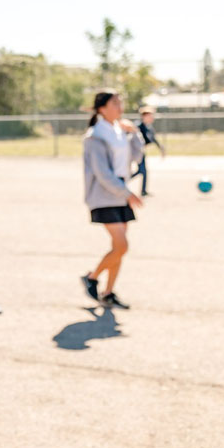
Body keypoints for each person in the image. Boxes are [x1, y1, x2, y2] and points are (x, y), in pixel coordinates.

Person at [81, 90, 144, 309]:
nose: (120, 106)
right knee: (122, 246)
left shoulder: (119, 131)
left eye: (120, 102)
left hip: (119, 193)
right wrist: (127, 193)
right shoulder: (95, 136)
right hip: (104, 196)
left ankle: (107, 292)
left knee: (119, 248)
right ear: (102, 108)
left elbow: (136, 157)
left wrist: (134, 133)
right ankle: (92, 277)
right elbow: (103, 174)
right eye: (115, 103)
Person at [131, 105, 162, 197]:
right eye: (151, 115)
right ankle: (121, 181)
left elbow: (153, 138)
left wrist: (160, 148)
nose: (152, 117)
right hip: (135, 152)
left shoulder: (148, 127)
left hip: (141, 152)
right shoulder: (138, 126)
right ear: (145, 116)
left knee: (142, 171)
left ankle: (143, 191)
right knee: (142, 171)